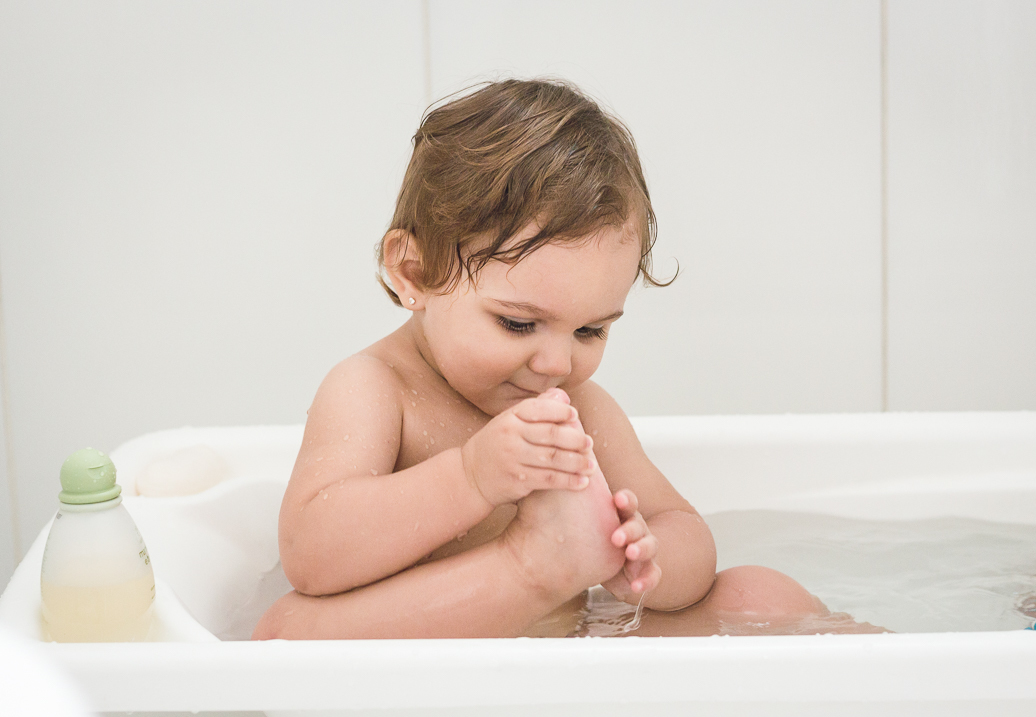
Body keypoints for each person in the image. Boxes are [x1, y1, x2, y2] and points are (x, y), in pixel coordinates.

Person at [253, 79, 866, 640]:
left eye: (590, 330)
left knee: (760, 593)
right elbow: (310, 554)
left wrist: (645, 557)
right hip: (422, 658)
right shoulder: (375, 389)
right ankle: (531, 568)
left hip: (563, 649)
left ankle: (897, 679)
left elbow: (684, 530)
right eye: (518, 323)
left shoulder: (579, 410)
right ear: (414, 272)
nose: (555, 363)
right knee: (284, 634)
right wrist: (470, 477)